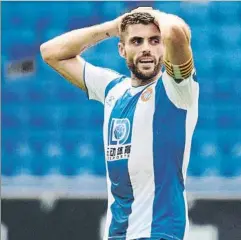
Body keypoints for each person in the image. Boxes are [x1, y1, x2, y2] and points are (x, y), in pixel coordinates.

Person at [40, 7, 199, 240]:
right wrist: (114, 27)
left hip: (160, 233)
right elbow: (50, 52)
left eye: (155, 40)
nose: (146, 47)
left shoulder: (177, 90)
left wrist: (151, 14)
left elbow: (175, 31)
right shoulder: (113, 89)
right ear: (122, 50)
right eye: (136, 41)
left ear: (163, 48)